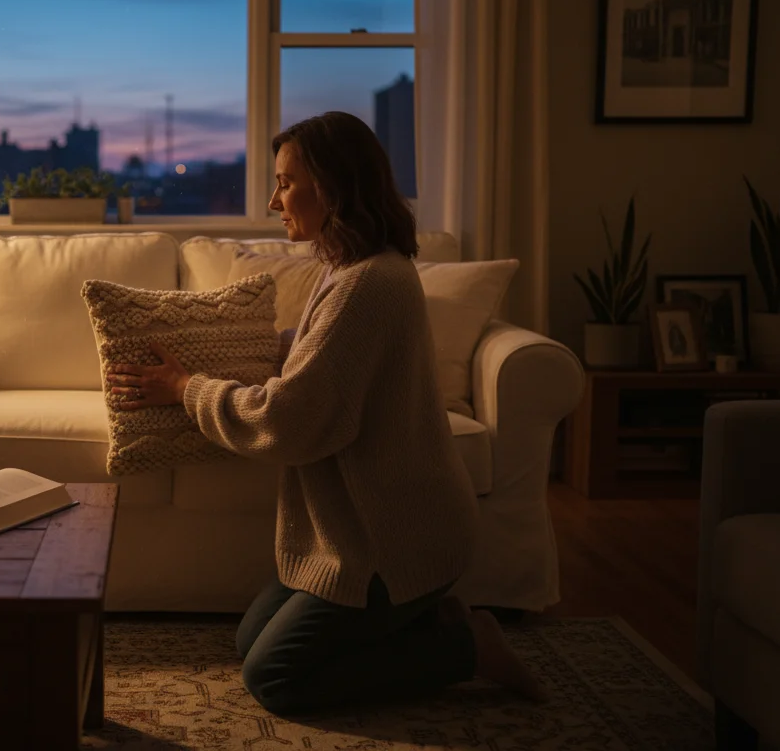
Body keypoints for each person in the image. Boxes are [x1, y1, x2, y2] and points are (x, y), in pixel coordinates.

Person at [105, 111, 546, 717]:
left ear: (334, 187)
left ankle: (466, 648)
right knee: (248, 640)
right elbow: (322, 360)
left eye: (286, 182)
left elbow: (288, 422)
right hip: (345, 535)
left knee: (276, 677)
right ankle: (423, 622)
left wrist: (186, 387)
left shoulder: (368, 285)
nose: (273, 198)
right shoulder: (345, 269)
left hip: (392, 541)